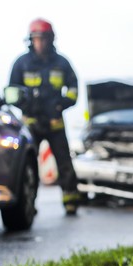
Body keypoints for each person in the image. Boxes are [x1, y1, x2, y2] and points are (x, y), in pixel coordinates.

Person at [9, 18, 84, 215]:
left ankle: (71, 200)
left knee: (64, 163)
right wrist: (26, 107)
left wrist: (60, 105)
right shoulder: (22, 63)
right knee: (28, 165)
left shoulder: (61, 63)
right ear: (30, 40)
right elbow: (12, 92)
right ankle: (28, 203)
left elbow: (74, 89)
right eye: (36, 39)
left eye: (43, 38)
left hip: (55, 123)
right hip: (31, 123)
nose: (40, 43)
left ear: (51, 39)